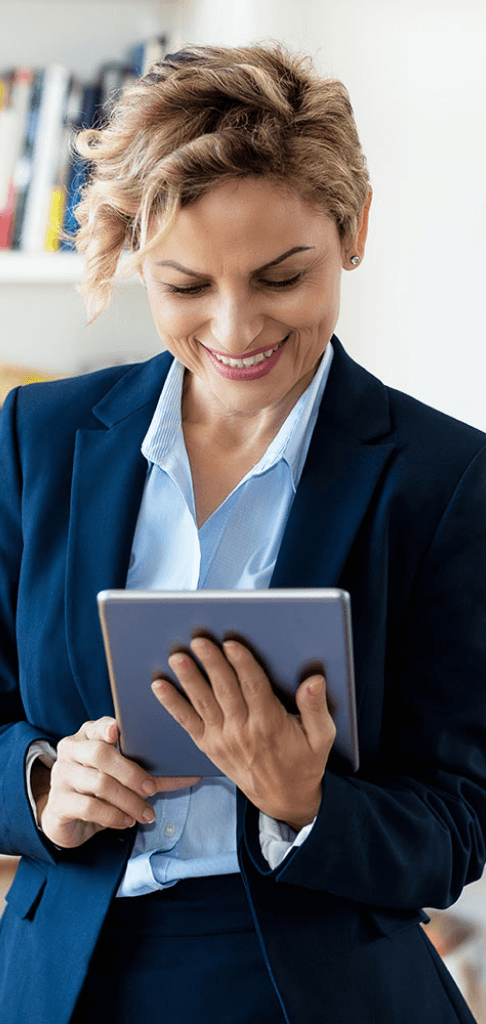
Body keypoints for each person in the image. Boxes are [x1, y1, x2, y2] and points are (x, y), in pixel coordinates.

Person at [0, 42, 485, 1024]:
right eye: (187, 286)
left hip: (316, 985)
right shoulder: (36, 438)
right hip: (63, 980)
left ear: (352, 231)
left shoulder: (446, 479)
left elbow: (461, 818)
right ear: (141, 258)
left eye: (280, 278)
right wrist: (45, 781)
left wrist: (309, 801)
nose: (234, 330)